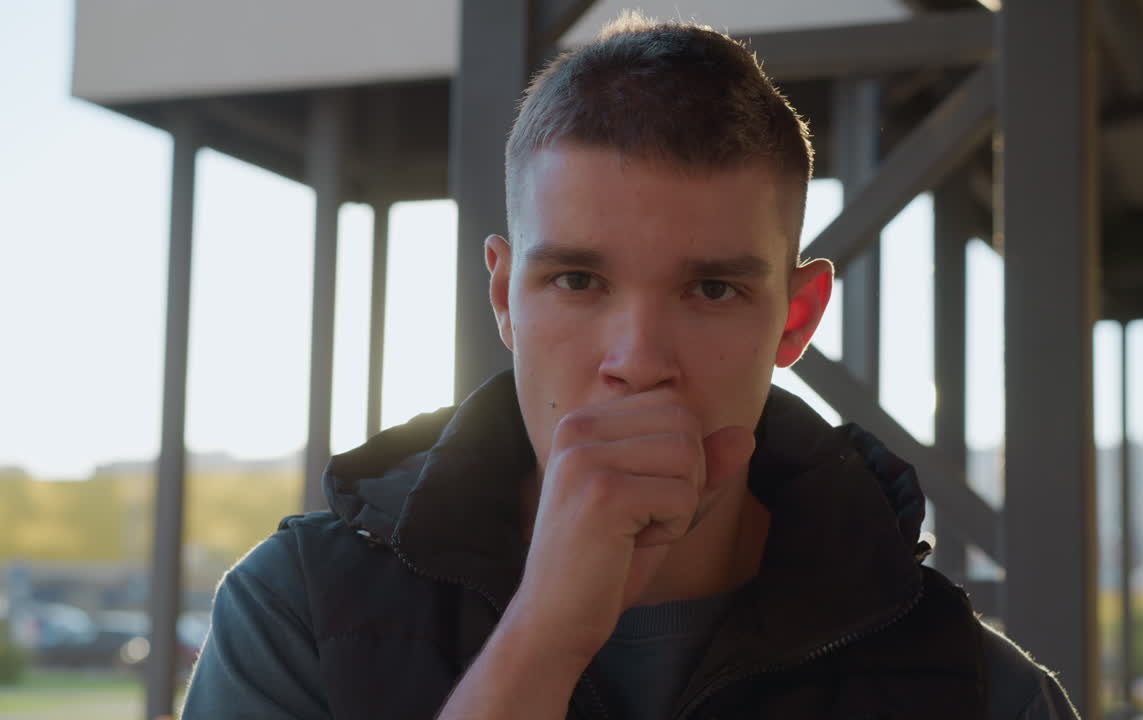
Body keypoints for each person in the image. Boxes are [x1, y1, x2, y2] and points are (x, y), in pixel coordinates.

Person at [183, 15, 1079, 720]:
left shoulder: (977, 694)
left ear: (795, 316)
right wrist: (543, 637)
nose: (638, 363)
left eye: (714, 290)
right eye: (577, 279)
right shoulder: (299, 613)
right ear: (504, 296)